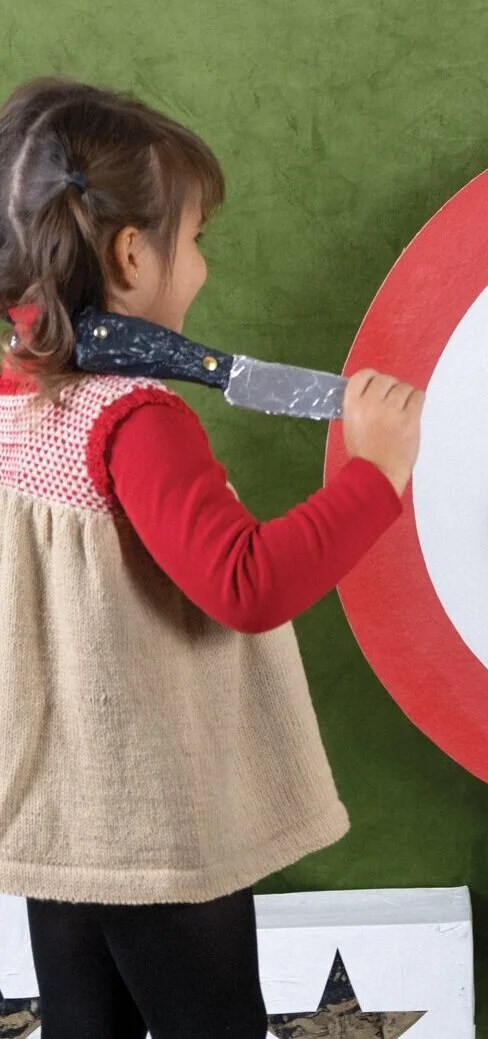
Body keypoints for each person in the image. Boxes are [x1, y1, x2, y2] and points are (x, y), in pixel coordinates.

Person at [0, 77, 422, 1039]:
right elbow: (249, 582)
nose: (199, 268)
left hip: (61, 812)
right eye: (195, 242)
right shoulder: (137, 420)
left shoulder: (14, 398)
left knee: (82, 1026)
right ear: (131, 253)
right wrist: (376, 475)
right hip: (154, 817)